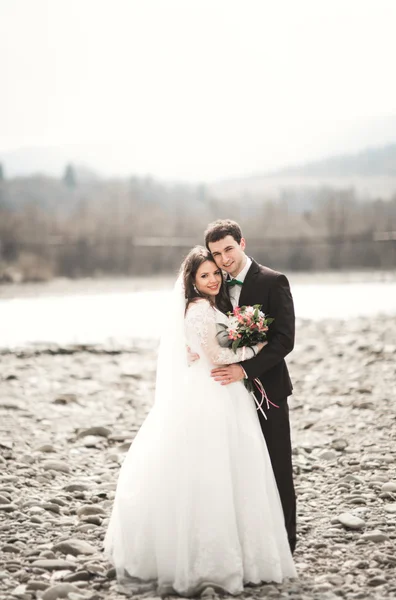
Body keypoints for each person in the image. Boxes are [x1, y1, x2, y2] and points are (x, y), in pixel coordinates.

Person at [104, 246, 296, 596]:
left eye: (215, 273)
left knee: (237, 468)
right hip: (213, 393)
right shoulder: (199, 309)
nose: (212, 279)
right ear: (191, 281)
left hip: (222, 390)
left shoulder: (213, 306)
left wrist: (238, 342)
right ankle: (211, 558)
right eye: (204, 275)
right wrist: (255, 345)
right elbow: (218, 354)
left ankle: (247, 550)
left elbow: (201, 348)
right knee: (215, 470)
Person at [203, 219, 297, 554]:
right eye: (216, 254)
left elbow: (284, 340)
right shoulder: (213, 287)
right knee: (239, 466)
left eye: (228, 249)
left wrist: (245, 370)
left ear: (242, 243)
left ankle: (286, 543)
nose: (224, 259)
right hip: (228, 396)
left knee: (276, 466)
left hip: (268, 390)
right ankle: (247, 542)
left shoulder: (273, 281)